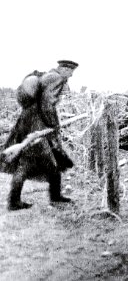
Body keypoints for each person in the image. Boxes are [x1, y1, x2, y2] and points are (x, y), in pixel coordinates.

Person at [1, 60, 79, 210]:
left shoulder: (48, 76)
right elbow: (48, 103)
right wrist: (52, 126)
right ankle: (17, 201)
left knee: (40, 159)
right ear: (63, 69)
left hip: (28, 119)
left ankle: (51, 196)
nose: (71, 75)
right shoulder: (56, 78)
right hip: (38, 122)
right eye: (70, 71)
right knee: (30, 161)